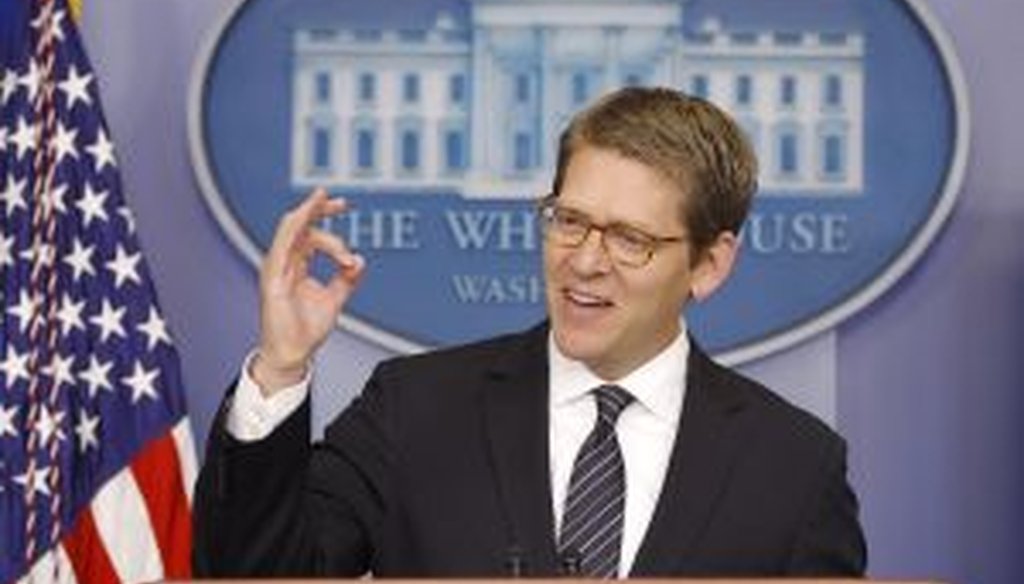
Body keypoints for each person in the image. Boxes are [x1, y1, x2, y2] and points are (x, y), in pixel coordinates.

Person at [193, 87, 867, 578]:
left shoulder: (794, 466)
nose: (584, 259)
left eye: (629, 238)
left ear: (709, 264)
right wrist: (280, 366)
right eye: (569, 220)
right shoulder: (413, 408)